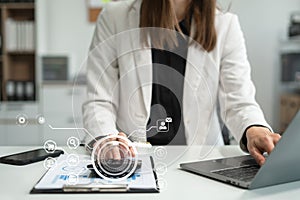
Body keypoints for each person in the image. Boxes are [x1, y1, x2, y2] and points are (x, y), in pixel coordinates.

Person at [82, 0, 281, 166]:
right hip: (133, 158)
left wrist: (254, 129)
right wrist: (105, 139)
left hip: (200, 160)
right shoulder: (114, 17)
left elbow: (238, 100)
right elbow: (99, 99)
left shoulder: (225, 25)